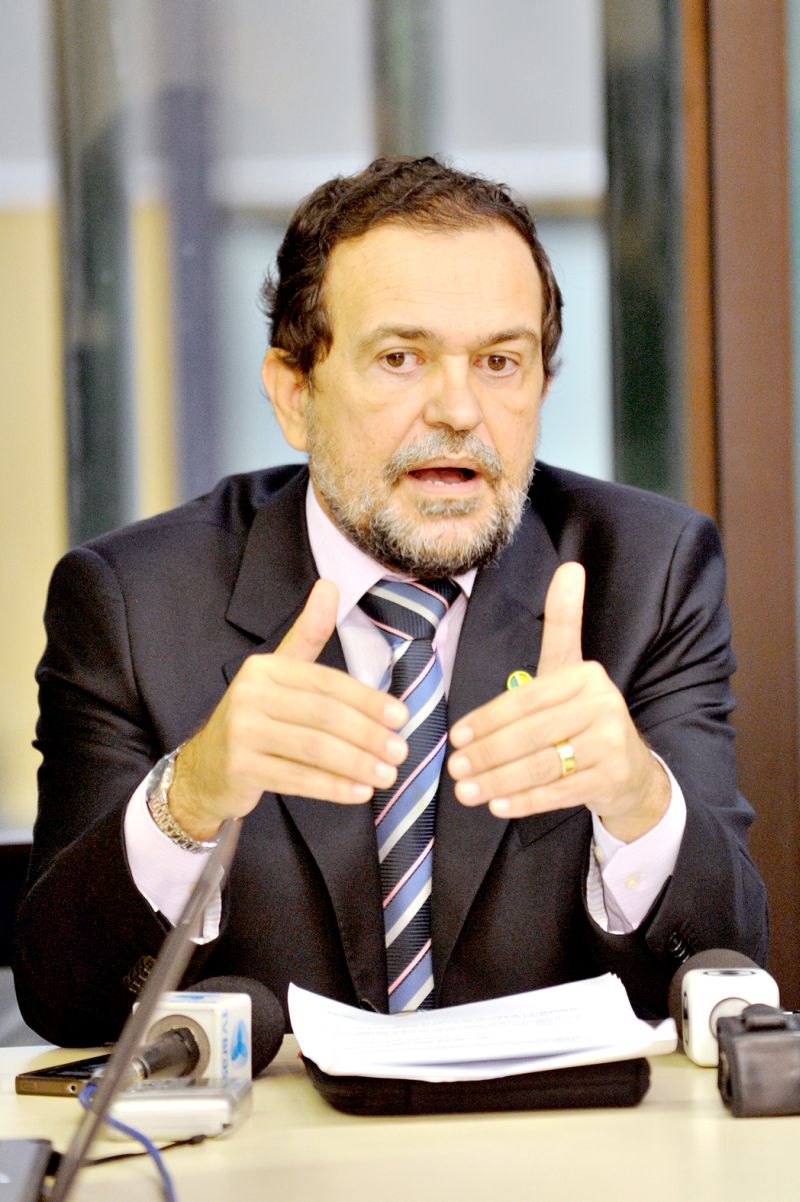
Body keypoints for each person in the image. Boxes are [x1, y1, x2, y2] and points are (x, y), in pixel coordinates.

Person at [15, 156, 767, 1046]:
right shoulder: (133, 602)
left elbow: (728, 965)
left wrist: (638, 799)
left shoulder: (648, 575)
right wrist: (192, 798)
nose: (459, 410)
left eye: (499, 362)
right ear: (296, 395)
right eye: (401, 359)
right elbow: (64, 1000)